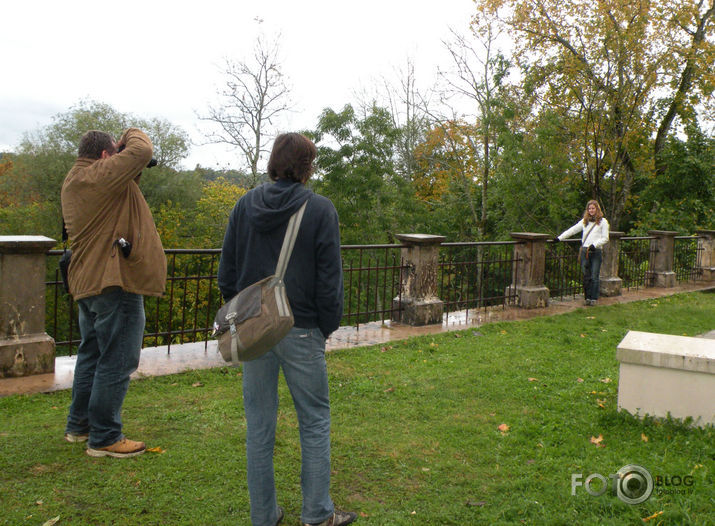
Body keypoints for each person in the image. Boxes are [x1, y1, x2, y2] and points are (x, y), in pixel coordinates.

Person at [218, 133, 357, 526]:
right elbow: (330, 281)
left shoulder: (244, 205)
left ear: (274, 162)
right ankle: (316, 515)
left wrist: (247, 315)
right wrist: (324, 327)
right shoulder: (320, 209)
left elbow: (226, 274)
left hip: (254, 332)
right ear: (307, 166)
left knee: (258, 427)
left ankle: (264, 517)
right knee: (314, 421)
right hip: (302, 328)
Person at [61, 128, 167, 458]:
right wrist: (128, 136)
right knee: (118, 357)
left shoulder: (75, 180)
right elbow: (142, 150)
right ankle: (105, 436)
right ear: (106, 157)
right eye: (115, 155)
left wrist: (120, 152)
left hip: (87, 282)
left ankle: (79, 426)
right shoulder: (98, 176)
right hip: (112, 280)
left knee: (92, 354)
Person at [555, 200, 610, 306]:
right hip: (585, 251)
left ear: (597, 209)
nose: (591, 210)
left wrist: (595, 245)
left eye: (593, 208)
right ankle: (587, 298)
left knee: (594, 275)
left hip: (595, 251)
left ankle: (594, 298)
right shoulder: (585, 221)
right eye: (589, 209)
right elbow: (572, 230)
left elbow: (605, 238)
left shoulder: (603, 222)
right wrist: (559, 238)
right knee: (586, 276)